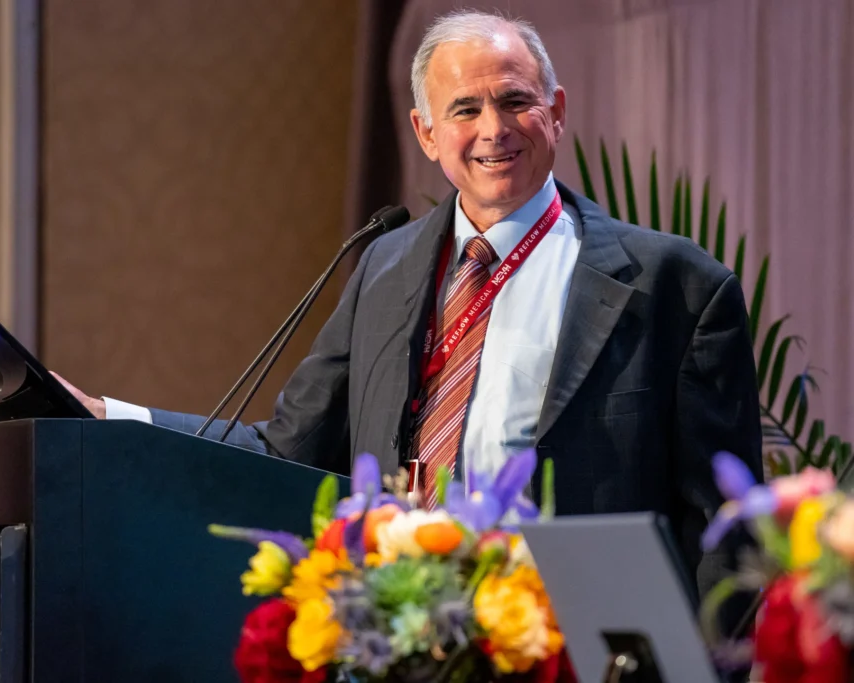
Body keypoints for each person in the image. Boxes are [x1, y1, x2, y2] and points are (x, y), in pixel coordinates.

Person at [56, 10, 762, 593]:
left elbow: (729, 533)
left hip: (580, 647)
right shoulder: (384, 269)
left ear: (557, 111)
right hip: (405, 632)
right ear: (427, 133)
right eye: (466, 109)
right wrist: (111, 418)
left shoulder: (675, 285)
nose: (495, 128)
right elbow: (287, 450)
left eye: (516, 100)